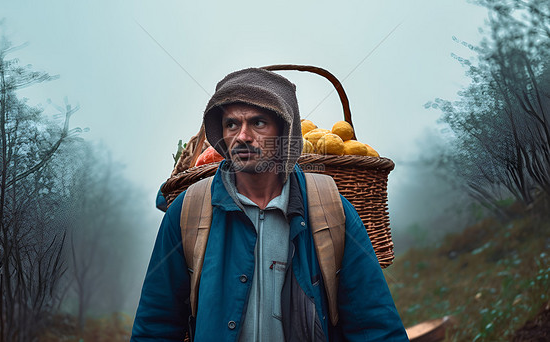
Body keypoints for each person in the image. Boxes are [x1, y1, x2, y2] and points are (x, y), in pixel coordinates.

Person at [131, 68, 409, 341]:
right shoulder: (188, 213)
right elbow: (156, 325)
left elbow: (374, 325)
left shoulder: (330, 210)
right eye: (232, 124)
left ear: (285, 131)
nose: (242, 136)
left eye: (258, 123)